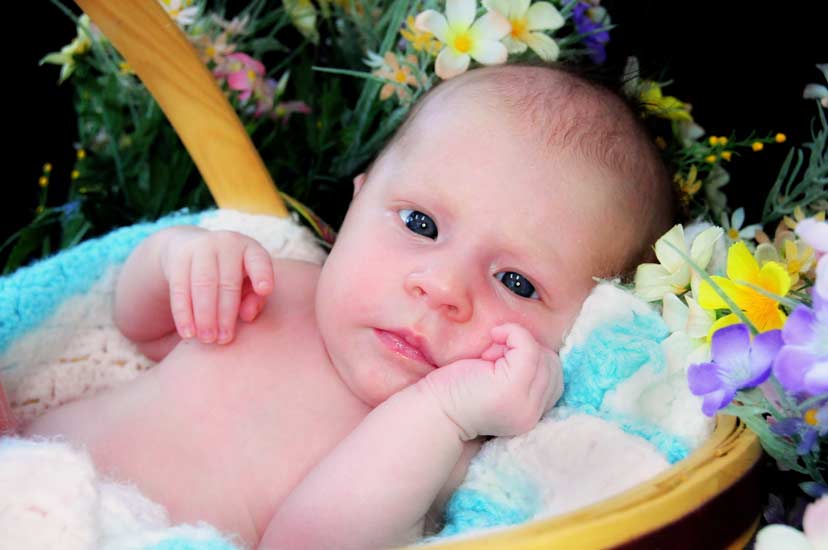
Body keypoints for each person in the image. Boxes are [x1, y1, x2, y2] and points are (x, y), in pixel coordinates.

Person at [19, 63, 675, 549]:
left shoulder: (445, 447)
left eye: (518, 283)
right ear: (355, 204)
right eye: (420, 223)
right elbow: (141, 325)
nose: (443, 288)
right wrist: (179, 259)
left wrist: (442, 413)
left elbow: (305, 544)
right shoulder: (276, 284)